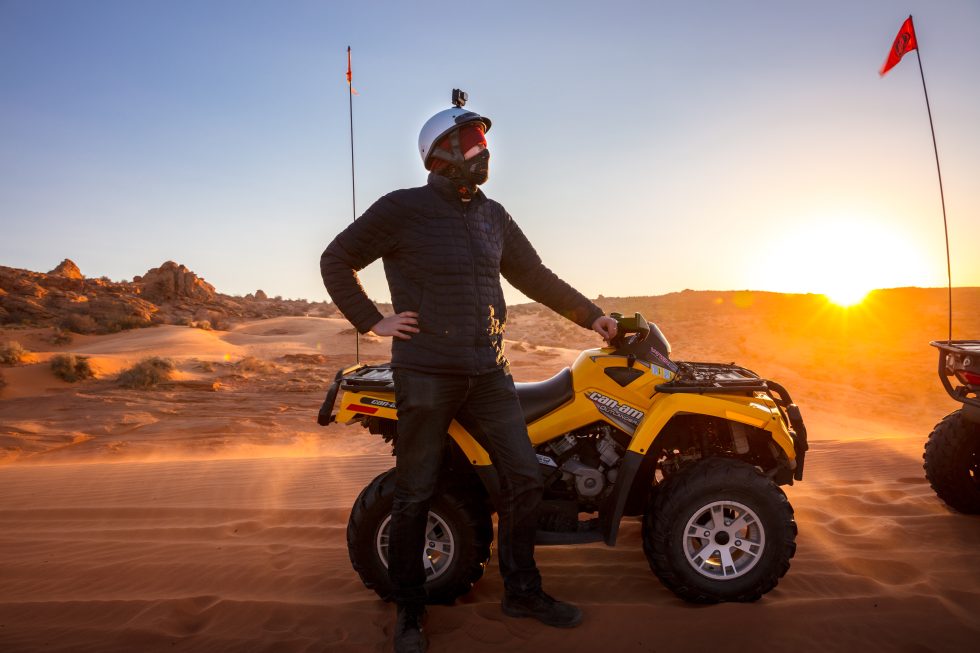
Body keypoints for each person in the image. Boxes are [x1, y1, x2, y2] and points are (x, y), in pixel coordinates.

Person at [320, 91, 617, 653]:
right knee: (416, 492)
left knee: (524, 478)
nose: (485, 151)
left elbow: (536, 276)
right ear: (443, 152)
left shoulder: (492, 216)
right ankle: (410, 610)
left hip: (489, 374)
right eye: (475, 142)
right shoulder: (402, 208)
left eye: (485, 141)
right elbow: (336, 259)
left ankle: (522, 591)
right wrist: (372, 321)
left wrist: (592, 316)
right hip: (426, 373)